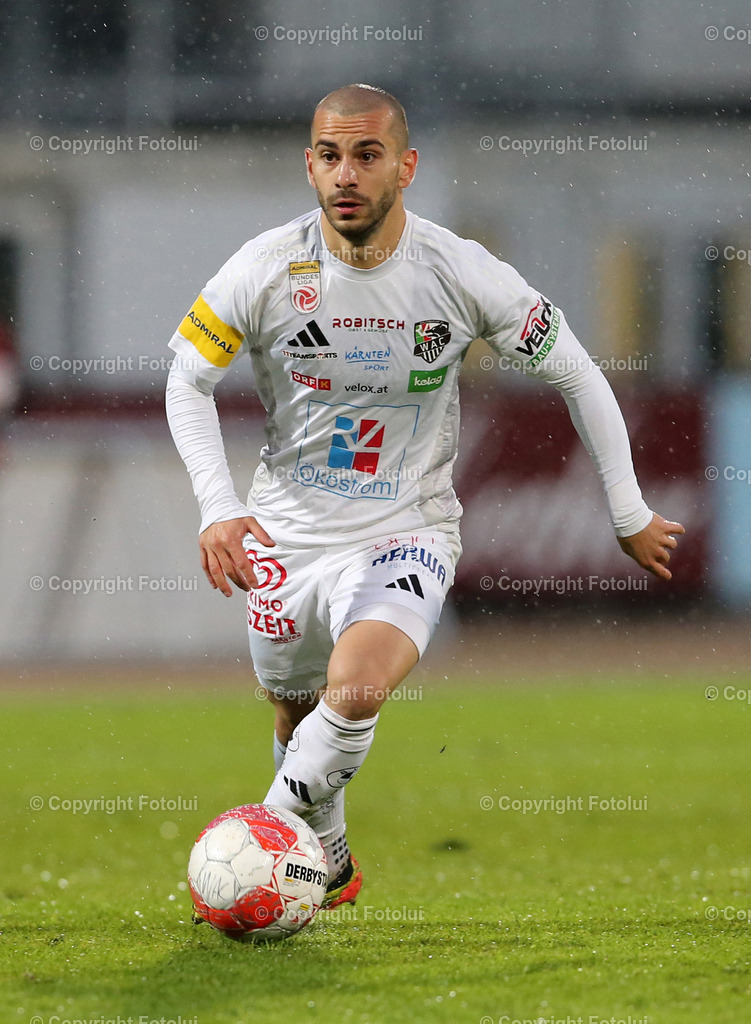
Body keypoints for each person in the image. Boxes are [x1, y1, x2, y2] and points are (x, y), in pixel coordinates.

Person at [165, 83, 685, 911]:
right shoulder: (266, 268)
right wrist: (217, 507)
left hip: (405, 529)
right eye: (329, 156)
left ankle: (259, 844)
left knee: (359, 685)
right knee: (297, 719)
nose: (346, 174)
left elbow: (576, 371)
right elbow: (187, 380)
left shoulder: (458, 271)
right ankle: (324, 851)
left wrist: (625, 511)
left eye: (367, 155)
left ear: (404, 166)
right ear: (309, 164)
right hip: (286, 538)